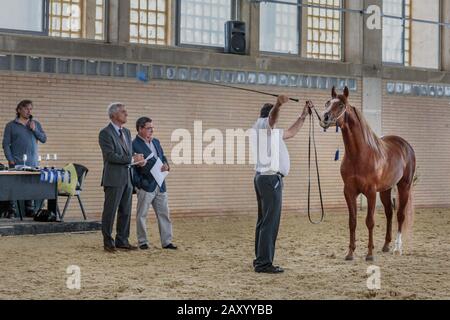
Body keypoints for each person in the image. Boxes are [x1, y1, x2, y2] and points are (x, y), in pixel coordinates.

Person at [252, 95, 311, 273]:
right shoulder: (263, 126)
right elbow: (273, 117)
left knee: (264, 221)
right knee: (270, 222)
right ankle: (264, 263)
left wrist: (303, 116)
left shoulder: (272, 132)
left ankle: (260, 259)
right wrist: (278, 104)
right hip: (270, 180)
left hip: (264, 178)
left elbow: (291, 132)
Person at [98, 102, 144, 253]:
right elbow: (110, 156)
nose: (126, 114)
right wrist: (131, 159)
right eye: (123, 112)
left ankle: (122, 240)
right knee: (110, 211)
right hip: (113, 178)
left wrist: (137, 159)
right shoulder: (105, 133)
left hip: (127, 177)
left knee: (125, 210)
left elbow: (127, 154)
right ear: (114, 115)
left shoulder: (127, 132)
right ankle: (107, 241)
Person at [132, 117, 177, 250]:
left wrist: (166, 165)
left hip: (160, 184)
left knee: (164, 214)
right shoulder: (133, 144)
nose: (151, 130)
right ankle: (143, 242)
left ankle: (167, 241)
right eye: (148, 128)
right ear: (140, 129)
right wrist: (139, 184)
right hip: (145, 185)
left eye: (152, 128)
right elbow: (132, 167)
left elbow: (162, 157)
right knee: (142, 215)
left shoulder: (156, 142)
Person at [2, 100, 47, 217]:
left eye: (31, 109)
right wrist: (10, 159)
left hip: (32, 162)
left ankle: (30, 209)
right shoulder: (11, 126)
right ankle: (12, 210)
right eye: (26, 108)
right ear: (19, 110)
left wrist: (34, 129)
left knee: (30, 185)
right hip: (16, 162)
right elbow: (5, 144)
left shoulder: (35, 124)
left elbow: (43, 139)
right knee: (13, 186)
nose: (29, 111)